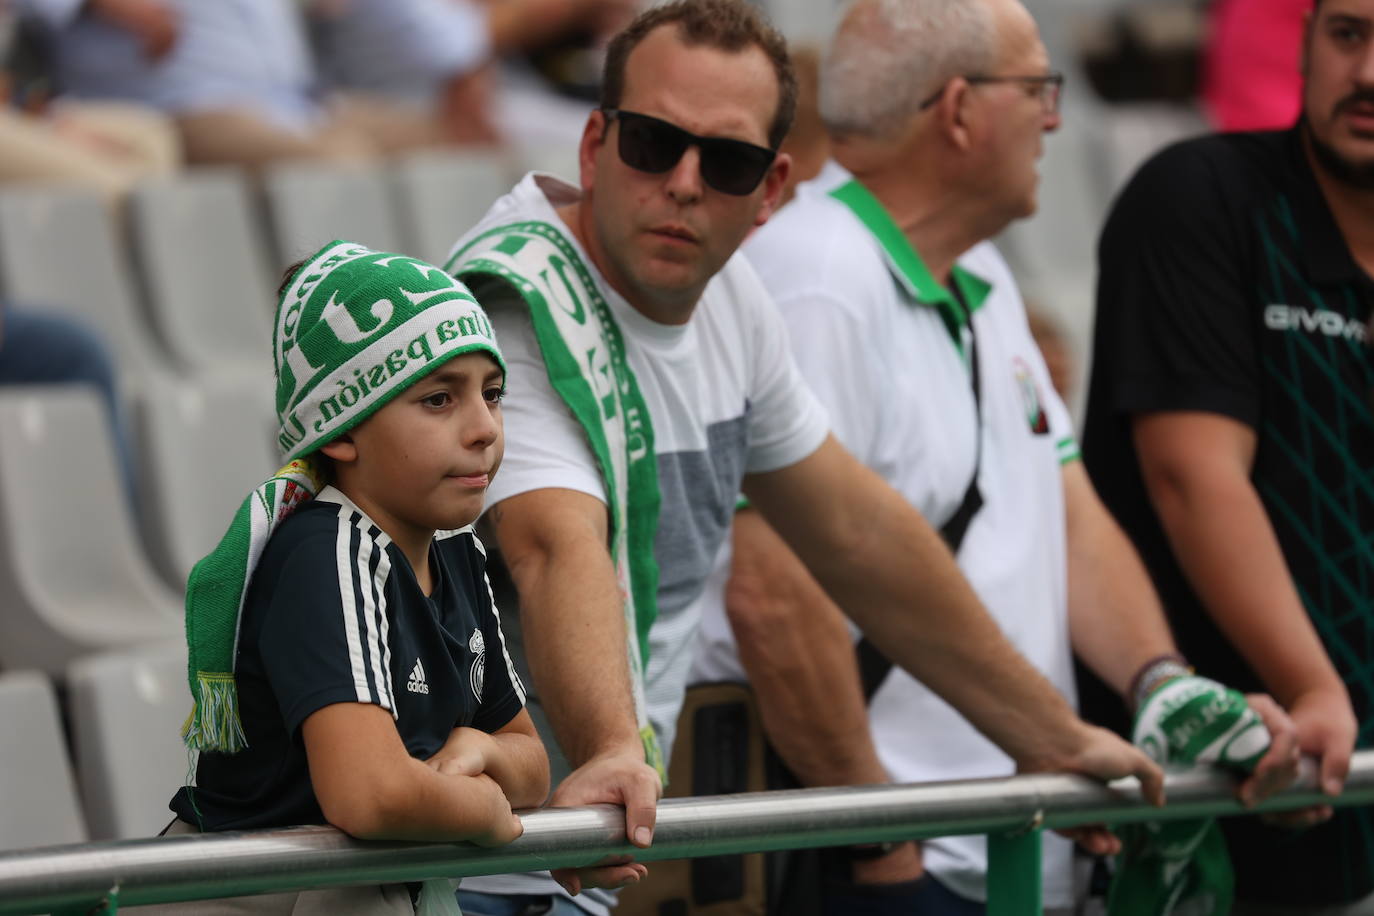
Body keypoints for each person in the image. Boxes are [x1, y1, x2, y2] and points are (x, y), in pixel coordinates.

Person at [441, 3, 1169, 914]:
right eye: (652, 143)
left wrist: (1051, 736)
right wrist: (611, 754)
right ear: (594, 144)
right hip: (465, 869)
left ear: (773, 187)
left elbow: (859, 533)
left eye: (730, 161)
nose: (685, 182)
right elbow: (554, 549)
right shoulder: (514, 300)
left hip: (578, 847)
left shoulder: (734, 299)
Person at [686, 0, 1299, 912]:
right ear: (961, 111)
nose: (1056, 116)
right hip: (897, 862)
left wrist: (1159, 682)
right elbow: (774, 594)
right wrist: (881, 844)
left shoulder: (983, 272)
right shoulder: (816, 277)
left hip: (1009, 839)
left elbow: (1069, 515)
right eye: (1038, 88)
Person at [133, 241, 549, 914]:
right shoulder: (328, 552)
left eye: (493, 395)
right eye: (440, 399)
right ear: (341, 430)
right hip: (258, 899)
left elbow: (532, 764)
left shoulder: (457, 551)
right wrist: (481, 810)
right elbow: (371, 796)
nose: (484, 429)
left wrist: (482, 751)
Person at [1079, 0, 1374, 910]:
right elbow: (1192, 478)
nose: (1368, 72)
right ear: (1303, 44)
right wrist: (1315, 688)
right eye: (1349, 34)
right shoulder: (1205, 197)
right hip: (1231, 803)